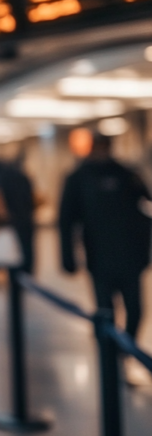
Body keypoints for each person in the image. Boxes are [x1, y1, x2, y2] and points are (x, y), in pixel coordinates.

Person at [60, 133, 151, 348]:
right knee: (105, 312)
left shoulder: (126, 174)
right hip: (99, 256)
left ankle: (125, 351)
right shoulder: (78, 178)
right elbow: (66, 220)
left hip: (130, 256)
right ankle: (108, 362)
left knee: (135, 310)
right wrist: (67, 257)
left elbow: (145, 205)